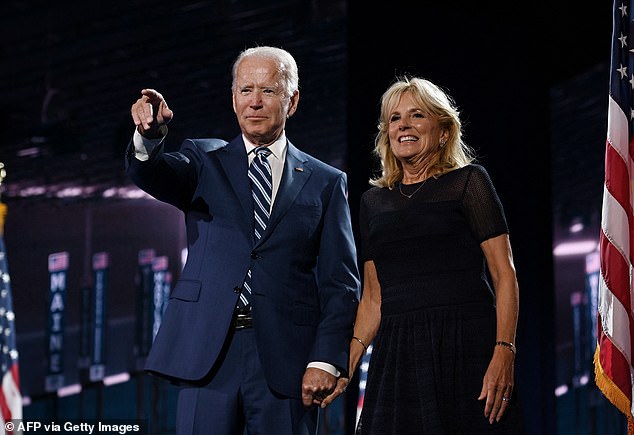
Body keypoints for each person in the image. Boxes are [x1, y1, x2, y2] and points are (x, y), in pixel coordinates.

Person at [126, 46, 360, 435]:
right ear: (233, 98)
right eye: (245, 90)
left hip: (286, 361)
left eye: (268, 91)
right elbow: (153, 174)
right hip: (209, 353)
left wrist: (325, 359)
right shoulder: (203, 160)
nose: (255, 102)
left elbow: (341, 283)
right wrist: (149, 137)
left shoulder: (325, 181)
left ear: (293, 100)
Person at [322, 76, 524, 434]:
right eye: (395, 118)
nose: (403, 125)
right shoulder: (373, 202)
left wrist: (504, 350)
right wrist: (344, 364)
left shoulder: (468, 182)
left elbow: (503, 273)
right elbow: (372, 298)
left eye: (417, 115)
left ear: (443, 131)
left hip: (466, 347)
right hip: (399, 354)